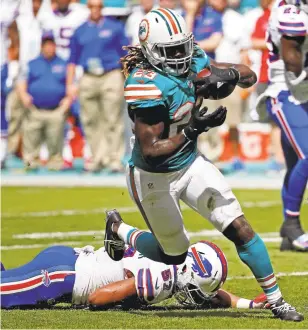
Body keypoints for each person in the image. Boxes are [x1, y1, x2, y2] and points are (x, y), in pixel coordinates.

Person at [104, 8, 303, 321]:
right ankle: (118, 228)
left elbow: (246, 75)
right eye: (172, 51)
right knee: (174, 254)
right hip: (153, 176)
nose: (182, 56)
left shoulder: (192, 58)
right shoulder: (145, 84)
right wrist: (193, 129)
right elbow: (152, 149)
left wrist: (229, 76)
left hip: (189, 163)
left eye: (184, 47)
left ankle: (277, 300)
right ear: (152, 52)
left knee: (239, 227)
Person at [0, 240, 267, 310]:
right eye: (196, 288)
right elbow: (96, 298)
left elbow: (211, 296)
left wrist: (249, 304)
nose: (196, 297)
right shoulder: (163, 277)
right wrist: (138, 287)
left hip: (68, 264)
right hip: (64, 276)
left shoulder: (175, 263)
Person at [256, 0, 308, 252]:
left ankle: (289, 230)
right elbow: (293, 63)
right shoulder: (290, 12)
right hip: (286, 94)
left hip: (301, 96)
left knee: (296, 163)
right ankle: (292, 225)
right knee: (307, 156)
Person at [66, 0, 129, 173]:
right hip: (88, 76)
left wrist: (128, 78)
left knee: (112, 118)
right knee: (90, 119)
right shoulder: (80, 30)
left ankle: (114, 158)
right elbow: (72, 60)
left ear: (102, 8)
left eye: (98, 7)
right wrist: (70, 84)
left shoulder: (114, 27)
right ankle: (97, 157)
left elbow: (126, 55)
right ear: (88, 8)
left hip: (111, 74)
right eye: (92, 6)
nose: (95, 10)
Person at [17, 32, 72, 170]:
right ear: (41, 46)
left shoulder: (64, 63)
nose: (49, 48)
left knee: (55, 140)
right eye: (46, 45)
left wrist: (68, 100)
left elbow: (72, 84)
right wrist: (23, 95)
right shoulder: (32, 63)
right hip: (35, 109)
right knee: (32, 139)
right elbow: (21, 81)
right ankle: (30, 163)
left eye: (51, 45)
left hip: (56, 110)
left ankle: (55, 163)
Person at [8, 0, 44, 158]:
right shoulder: (20, 21)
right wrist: (13, 71)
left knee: (36, 115)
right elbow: (14, 46)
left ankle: (35, 152)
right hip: (22, 72)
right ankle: (10, 150)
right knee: (15, 114)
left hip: (41, 73)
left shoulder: (46, 21)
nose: (36, 5)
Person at [0, 0, 20, 169]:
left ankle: (2, 154)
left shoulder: (6, 8)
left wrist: (13, 66)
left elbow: (14, 38)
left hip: (1, 65)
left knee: (3, 111)